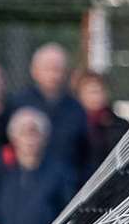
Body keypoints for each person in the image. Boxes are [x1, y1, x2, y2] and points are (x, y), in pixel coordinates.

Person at [0, 108, 77, 224]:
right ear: (13, 137)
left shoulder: (59, 172)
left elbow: (69, 207)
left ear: (44, 138)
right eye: (24, 134)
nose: (30, 140)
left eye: (35, 134)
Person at [6, 43, 87, 175]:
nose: (53, 75)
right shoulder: (18, 103)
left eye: (58, 69)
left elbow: (83, 150)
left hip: (66, 178)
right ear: (34, 70)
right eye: (48, 68)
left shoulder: (76, 108)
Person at [75, 70, 129, 180]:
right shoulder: (73, 126)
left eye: (100, 91)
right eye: (92, 92)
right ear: (80, 95)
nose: (97, 96)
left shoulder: (120, 125)